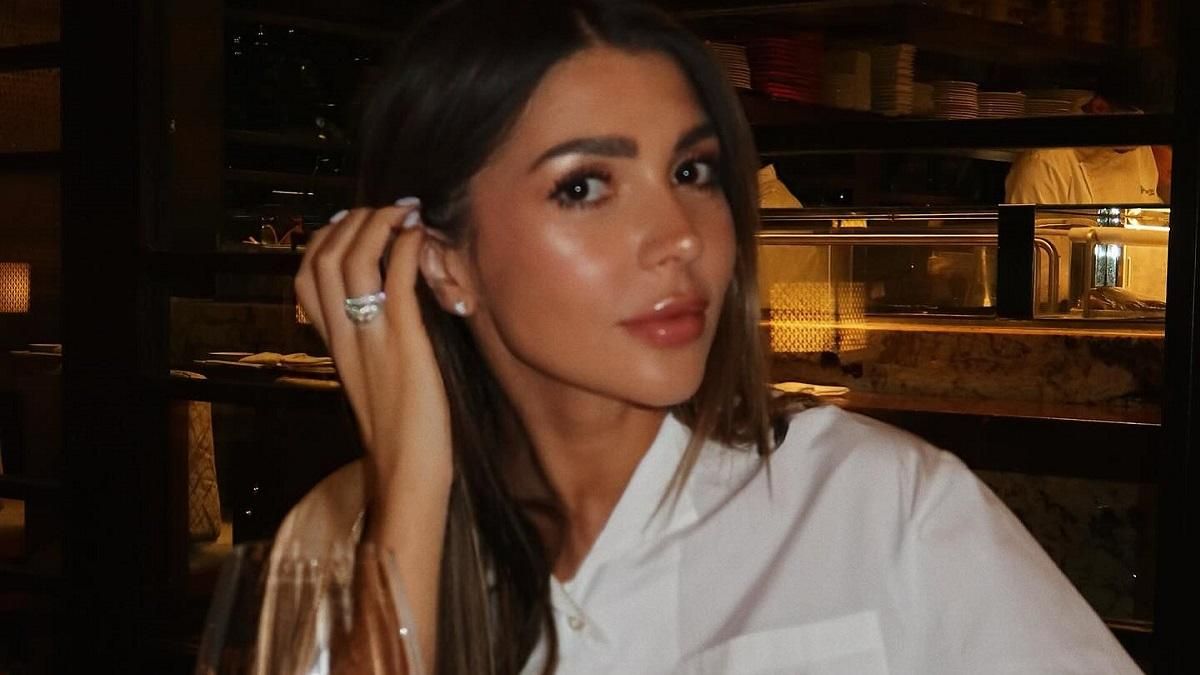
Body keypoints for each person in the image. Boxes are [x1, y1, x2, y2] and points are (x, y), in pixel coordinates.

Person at [230, 1, 1141, 673]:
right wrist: (414, 488)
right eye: (585, 186)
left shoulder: (878, 509)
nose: (680, 236)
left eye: (693, 172)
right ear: (443, 263)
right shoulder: (338, 541)